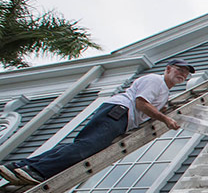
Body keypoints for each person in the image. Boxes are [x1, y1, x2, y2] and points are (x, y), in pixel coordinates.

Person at [0, 58, 194, 185]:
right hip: (119, 113)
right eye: (179, 70)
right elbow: (141, 104)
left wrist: (163, 109)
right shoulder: (155, 81)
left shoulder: (164, 91)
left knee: (82, 146)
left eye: (186, 74)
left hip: (119, 116)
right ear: (168, 69)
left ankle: (18, 166)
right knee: (86, 149)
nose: (182, 75)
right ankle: (35, 170)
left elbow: (148, 106)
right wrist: (165, 118)